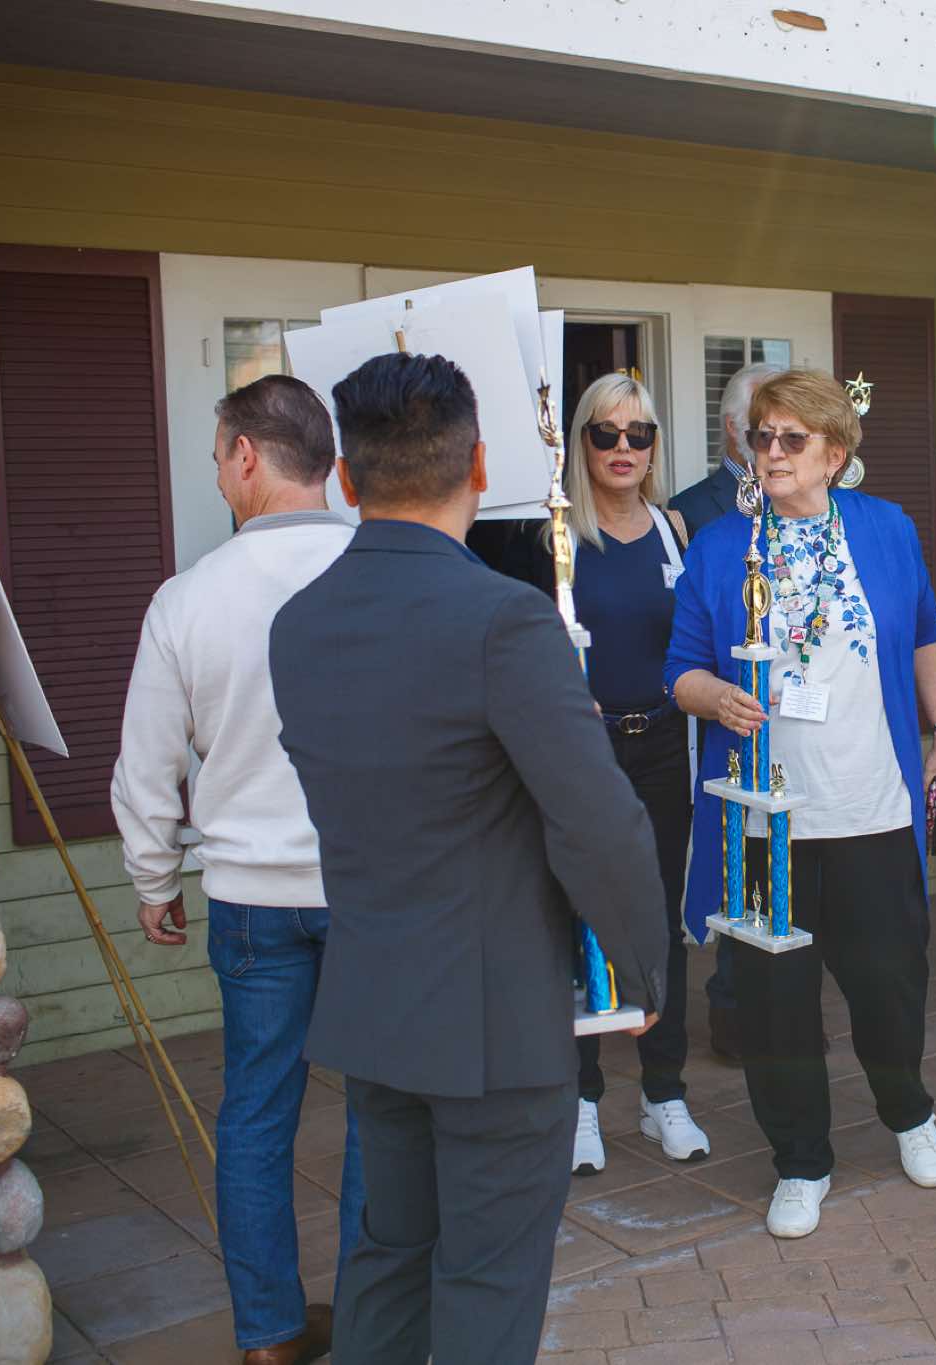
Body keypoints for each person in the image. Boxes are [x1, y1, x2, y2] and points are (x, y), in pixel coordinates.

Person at [269, 352, 668, 1365]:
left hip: (374, 997)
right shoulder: (504, 618)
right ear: (480, 467)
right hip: (495, 1017)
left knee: (389, 1257)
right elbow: (600, 824)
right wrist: (641, 968)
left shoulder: (298, 624)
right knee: (487, 1279)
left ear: (346, 478)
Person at [667, 368, 936, 1240]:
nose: (773, 452)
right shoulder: (721, 545)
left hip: (872, 807)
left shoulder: (885, 527)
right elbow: (680, 668)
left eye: (793, 438)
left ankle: (908, 1111)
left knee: (889, 984)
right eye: (763, 436)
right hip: (764, 821)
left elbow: (927, 633)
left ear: (835, 453)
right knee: (774, 1002)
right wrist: (717, 697)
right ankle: (800, 1159)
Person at [110, 375, 362, 1365]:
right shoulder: (381, 570)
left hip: (251, 897)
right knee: (380, 1111)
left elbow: (146, 766)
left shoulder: (187, 598)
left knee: (256, 1114)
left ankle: (269, 1336)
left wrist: (153, 879)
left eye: (219, 456)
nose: (218, 475)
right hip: (370, 888)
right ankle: (373, 1324)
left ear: (249, 455)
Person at [470, 373, 710, 1179]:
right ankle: (581, 1097)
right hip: (579, 751)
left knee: (659, 918)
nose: (622, 448)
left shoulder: (675, 529)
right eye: (605, 433)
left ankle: (664, 1090)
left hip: (662, 744)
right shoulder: (547, 537)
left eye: (639, 434)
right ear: (580, 442)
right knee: (573, 913)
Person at [671, 359, 785, 1060]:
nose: (775, 442)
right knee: (735, 869)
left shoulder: (806, 501)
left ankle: (787, 1008)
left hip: (791, 723)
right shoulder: (690, 511)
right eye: (762, 427)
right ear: (732, 430)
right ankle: (732, 1011)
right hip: (720, 716)